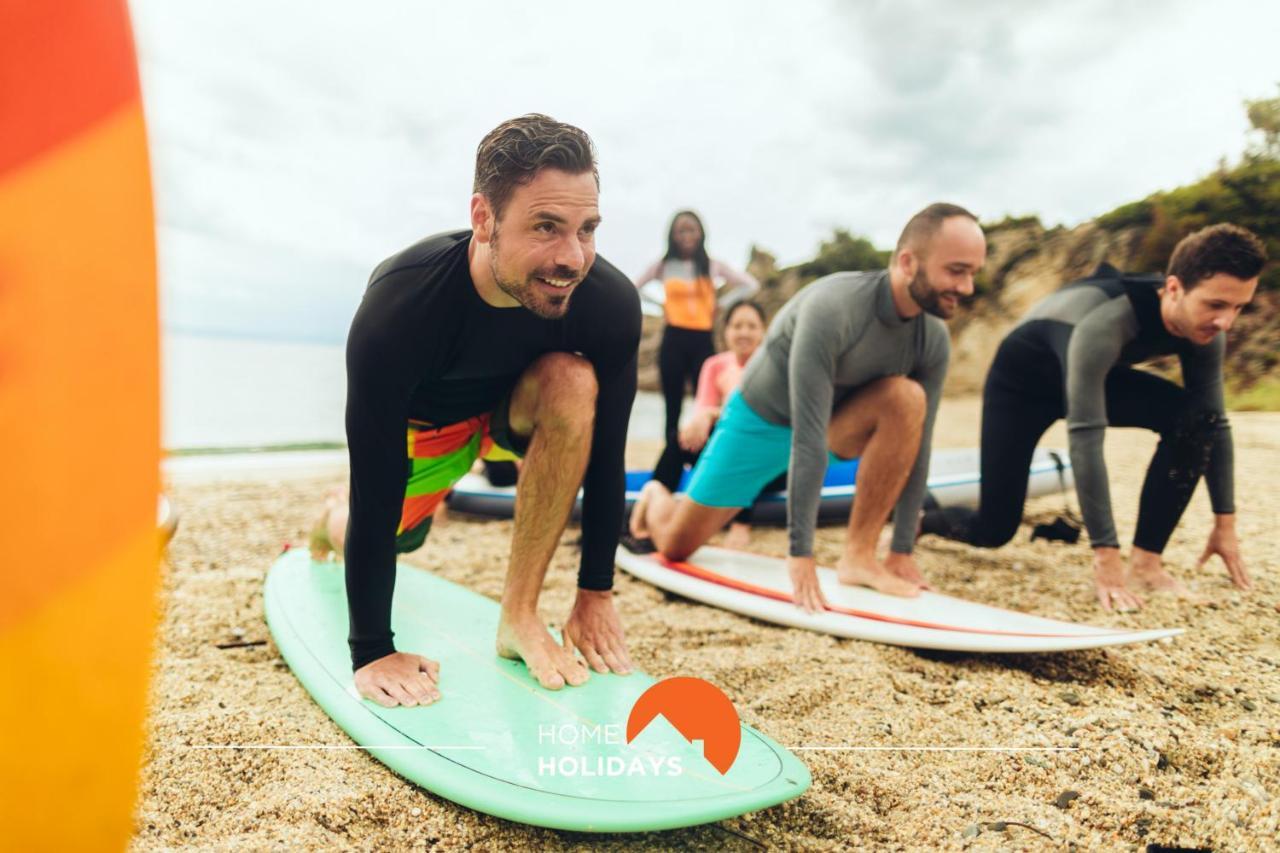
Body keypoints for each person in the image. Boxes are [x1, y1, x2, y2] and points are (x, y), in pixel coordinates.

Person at [310, 114, 641, 708]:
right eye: (546, 226)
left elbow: (607, 457)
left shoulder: (609, 305)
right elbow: (377, 480)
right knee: (391, 535)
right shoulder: (401, 306)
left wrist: (596, 591)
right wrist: (371, 650)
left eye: (587, 228)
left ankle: (518, 616)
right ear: (484, 219)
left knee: (571, 379)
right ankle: (326, 522)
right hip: (426, 431)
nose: (573, 258)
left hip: (509, 413)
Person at [630, 203, 986, 612]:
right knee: (676, 546)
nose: (967, 287)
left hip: (834, 424)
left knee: (907, 399)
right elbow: (807, 438)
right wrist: (800, 554)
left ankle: (861, 556)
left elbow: (918, 448)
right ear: (908, 261)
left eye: (973, 273)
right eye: (957, 271)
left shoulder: (932, 339)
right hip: (758, 423)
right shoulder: (833, 307)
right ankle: (656, 496)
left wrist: (902, 549)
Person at [922, 224, 1267, 611]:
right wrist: (1105, 556)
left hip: (1088, 375)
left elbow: (1214, 422)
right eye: (1216, 305)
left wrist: (1225, 522)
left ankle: (1147, 564)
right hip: (1020, 389)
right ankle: (921, 520)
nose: (1226, 322)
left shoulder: (1206, 330)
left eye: (1238, 307)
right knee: (994, 528)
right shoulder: (1105, 322)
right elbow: (1085, 438)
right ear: (1173, 288)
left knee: (1194, 417)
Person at [635, 211, 760, 491]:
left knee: (708, 402)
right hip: (674, 339)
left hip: (703, 339)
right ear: (673, 235)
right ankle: (669, 467)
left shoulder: (712, 266)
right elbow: (634, 288)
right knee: (673, 407)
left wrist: (722, 304)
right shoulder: (664, 266)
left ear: (701, 233)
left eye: (692, 230)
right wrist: (659, 306)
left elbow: (751, 285)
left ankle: (708, 459)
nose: (687, 236)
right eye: (681, 231)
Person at [672, 299, 775, 549]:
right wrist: (706, 418)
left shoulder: (773, 366)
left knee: (745, 445)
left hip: (766, 456)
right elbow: (702, 410)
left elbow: (763, 420)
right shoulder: (715, 365)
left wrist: (712, 415)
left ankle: (741, 523)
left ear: (763, 331)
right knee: (677, 441)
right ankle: (656, 496)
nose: (744, 332)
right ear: (726, 331)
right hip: (726, 445)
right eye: (737, 325)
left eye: (751, 326)